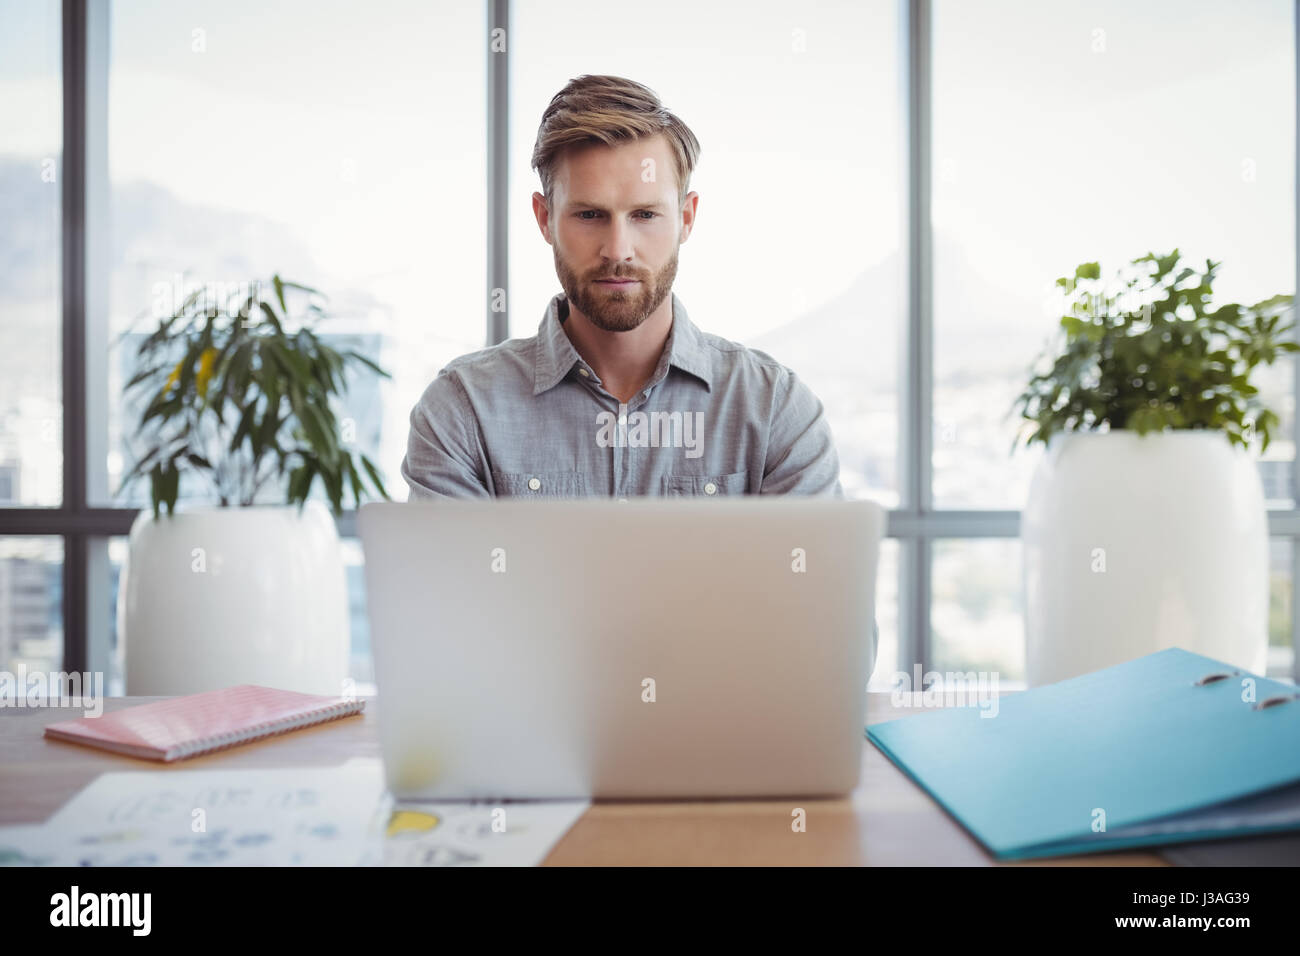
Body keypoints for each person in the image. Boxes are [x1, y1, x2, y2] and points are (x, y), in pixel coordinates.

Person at [401, 74, 844, 501]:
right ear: (544, 219)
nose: (618, 250)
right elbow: (451, 580)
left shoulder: (774, 410)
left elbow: (810, 578)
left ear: (686, 219)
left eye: (645, 215)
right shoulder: (463, 409)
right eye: (590, 215)